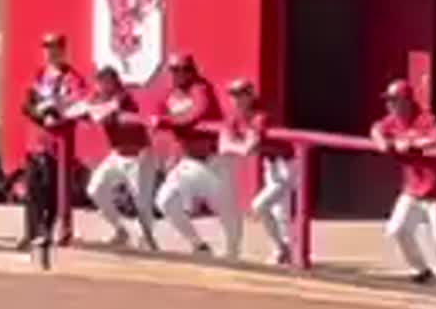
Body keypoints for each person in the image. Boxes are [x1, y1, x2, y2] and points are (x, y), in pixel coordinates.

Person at [369, 80, 436, 285]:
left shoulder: (425, 118)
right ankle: (421, 270)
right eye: (388, 101)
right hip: (413, 188)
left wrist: (412, 144)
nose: (390, 105)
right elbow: (376, 129)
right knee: (397, 229)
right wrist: (383, 143)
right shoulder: (392, 120)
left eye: (394, 100)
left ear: (406, 101)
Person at [151, 54, 240, 258]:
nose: (178, 74)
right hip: (188, 159)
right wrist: (173, 153)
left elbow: (198, 113)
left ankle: (233, 254)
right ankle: (199, 245)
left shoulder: (200, 88)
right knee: (164, 200)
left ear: (192, 70)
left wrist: (168, 121)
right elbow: (165, 121)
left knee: (225, 210)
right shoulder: (170, 94)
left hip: (214, 159)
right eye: (174, 70)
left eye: (183, 69)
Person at [76, 66, 158, 249]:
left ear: (114, 82)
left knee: (142, 203)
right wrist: (79, 109)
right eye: (99, 83)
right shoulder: (98, 97)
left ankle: (149, 242)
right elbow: (83, 108)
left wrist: (91, 109)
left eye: (106, 82)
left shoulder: (123, 96)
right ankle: (121, 230)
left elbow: (105, 112)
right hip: (117, 155)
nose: (102, 86)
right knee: (94, 190)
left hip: (139, 156)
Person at [17, 33, 84, 252]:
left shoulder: (72, 78)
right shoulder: (38, 75)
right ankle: (31, 232)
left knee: (53, 190)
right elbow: (26, 104)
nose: (49, 52)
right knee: (33, 188)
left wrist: (57, 112)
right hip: (36, 140)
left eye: (54, 47)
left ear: (63, 50)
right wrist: (39, 113)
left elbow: (76, 104)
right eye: (46, 47)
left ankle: (52, 229)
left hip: (58, 144)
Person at [219, 78, 294, 264]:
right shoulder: (234, 116)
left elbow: (248, 149)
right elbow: (222, 145)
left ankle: (282, 249)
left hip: (289, 164)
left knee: (260, 206)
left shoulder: (261, 114)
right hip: (271, 165)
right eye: (233, 95)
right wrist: (236, 146)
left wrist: (233, 146)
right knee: (278, 212)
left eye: (240, 94)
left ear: (250, 95)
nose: (236, 99)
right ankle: (284, 250)